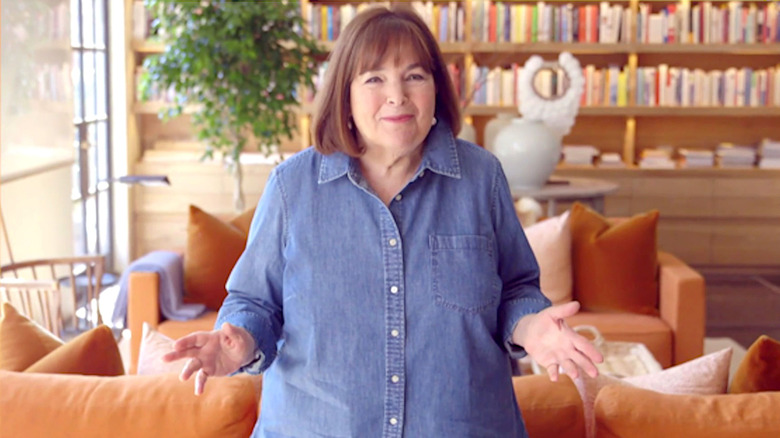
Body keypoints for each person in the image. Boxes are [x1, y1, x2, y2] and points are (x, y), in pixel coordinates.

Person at [163, 5, 603, 437]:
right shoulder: (291, 186)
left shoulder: (481, 177)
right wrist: (238, 338)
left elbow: (515, 290)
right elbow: (256, 301)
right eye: (375, 78)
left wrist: (534, 328)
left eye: (414, 76)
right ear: (345, 95)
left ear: (435, 89)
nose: (397, 95)